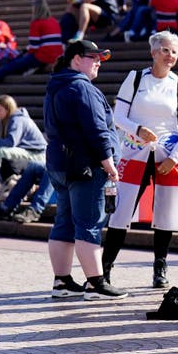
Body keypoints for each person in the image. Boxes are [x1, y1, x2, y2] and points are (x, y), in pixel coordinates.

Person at [102, 31, 178, 290]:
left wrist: (175, 158)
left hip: (167, 155)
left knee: (166, 213)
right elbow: (118, 115)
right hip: (134, 153)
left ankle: (160, 266)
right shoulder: (135, 78)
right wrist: (138, 129)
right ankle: (105, 268)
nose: (170, 55)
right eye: (165, 50)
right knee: (121, 212)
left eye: (174, 51)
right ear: (153, 52)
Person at [42, 39, 126, 300]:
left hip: (60, 164)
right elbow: (97, 130)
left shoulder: (55, 85)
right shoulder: (82, 88)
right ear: (76, 59)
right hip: (86, 167)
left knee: (64, 222)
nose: (98, 62)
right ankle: (95, 283)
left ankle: (62, 281)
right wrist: (109, 164)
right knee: (89, 222)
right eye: (93, 57)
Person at [0, 0, 63, 84]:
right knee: (20, 62)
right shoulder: (54, 22)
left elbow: (34, 47)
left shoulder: (36, 23)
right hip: (57, 56)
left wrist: (26, 53)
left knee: (11, 65)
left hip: (43, 56)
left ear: (35, 10)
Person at [0, 94, 47, 175]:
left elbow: (10, 143)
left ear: (8, 109)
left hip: (38, 154)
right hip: (25, 151)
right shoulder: (3, 120)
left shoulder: (18, 120)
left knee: (2, 151)